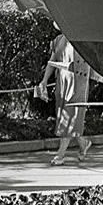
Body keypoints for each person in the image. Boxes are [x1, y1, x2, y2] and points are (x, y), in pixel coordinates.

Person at [38, 28, 92, 166]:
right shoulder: (58, 40)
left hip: (78, 82)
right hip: (62, 83)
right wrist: (44, 81)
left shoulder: (81, 39)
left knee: (70, 117)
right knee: (65, 118)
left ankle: (60, 155)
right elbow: (52, 61)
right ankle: (83, 143)